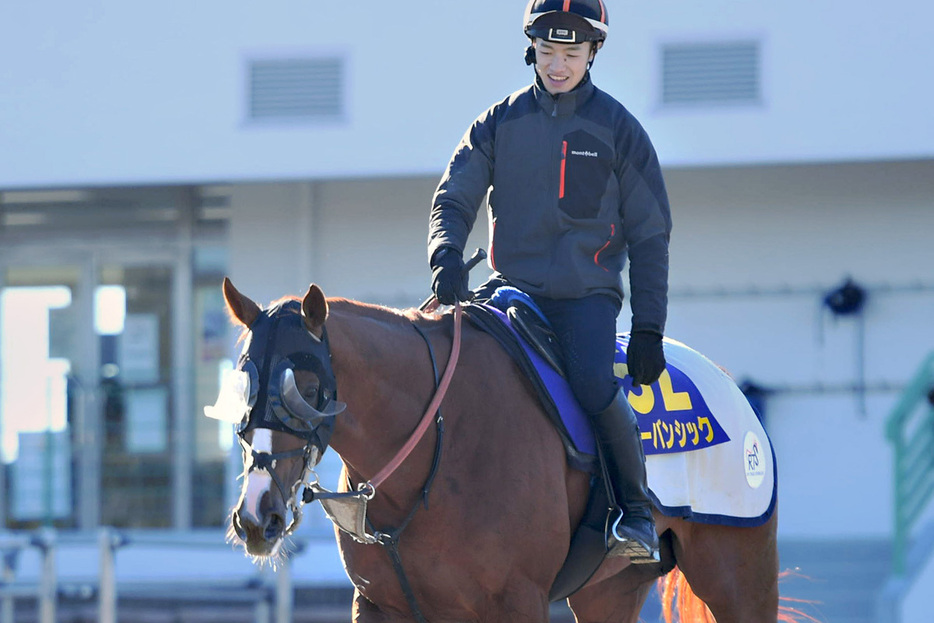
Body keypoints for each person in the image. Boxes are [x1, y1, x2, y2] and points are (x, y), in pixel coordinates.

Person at [427, 0, 671, 562]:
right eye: (546, 51)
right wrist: (444, 252)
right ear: (530, 49)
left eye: (571, 52)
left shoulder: (620, 130)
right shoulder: (497, 123)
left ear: (594, 51)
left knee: (590, 382)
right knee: (445, 358)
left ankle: (634, 514)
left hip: (585, 299)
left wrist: (649, 328)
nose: (557, 65)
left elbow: (651, 235)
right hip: (507, 289)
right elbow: (456, 194)